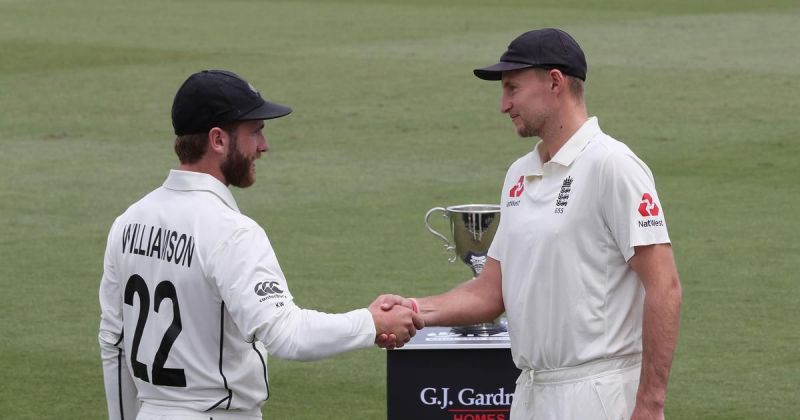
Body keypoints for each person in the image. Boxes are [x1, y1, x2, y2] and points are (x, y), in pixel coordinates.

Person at [388, 28, 682, 419]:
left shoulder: (613, 165)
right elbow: (491, 291)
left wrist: (650, 403)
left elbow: (665, 288)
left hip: (600, 394)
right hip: (531, 391)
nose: (503, 105)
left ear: (555, 82)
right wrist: (412, 309)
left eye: (512, 88)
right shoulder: (519, 174)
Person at [98, 69, 422, 420]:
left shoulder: (128, 222)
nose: (264, 146)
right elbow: (287, 334)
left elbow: (113, 344)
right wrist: (370, 323)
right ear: (218, 140)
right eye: (255, 132)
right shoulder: (231, 232)